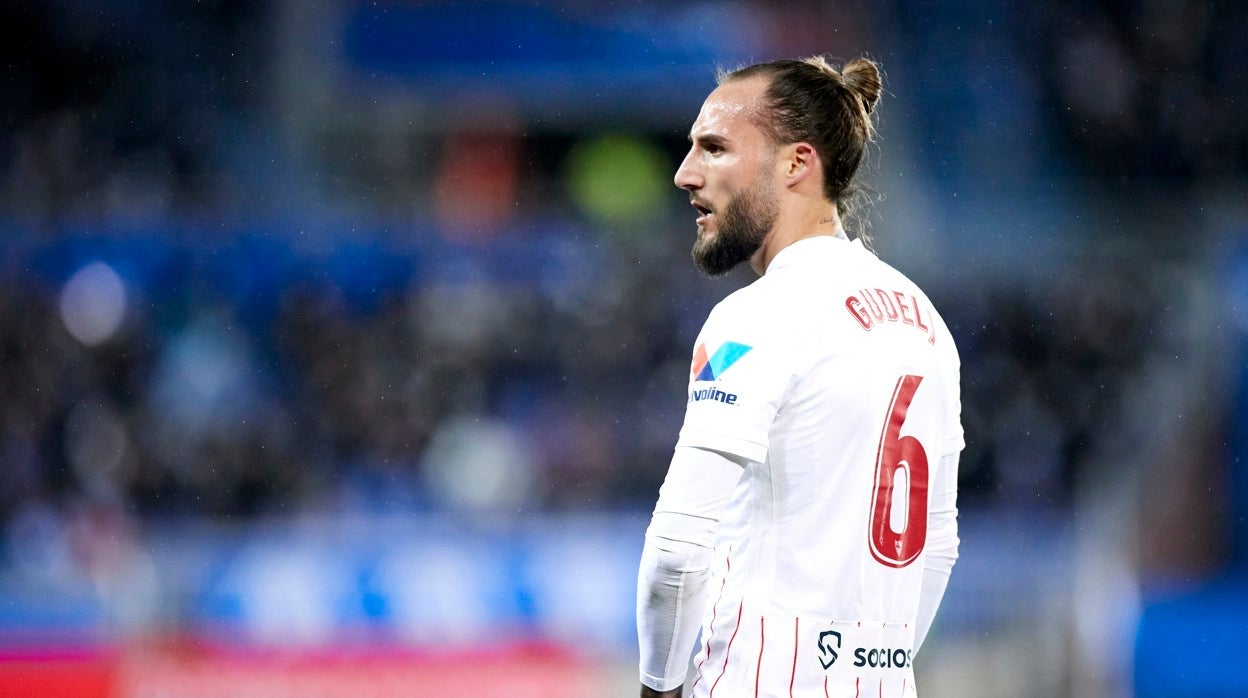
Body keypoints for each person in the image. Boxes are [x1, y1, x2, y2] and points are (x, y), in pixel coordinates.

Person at [636, 55, 962, 697]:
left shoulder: (758, 315)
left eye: (715, 148)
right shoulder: (926, 322)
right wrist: (869, 668)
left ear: (797, 163)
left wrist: (658, 689)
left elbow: (677, 550)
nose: (685, 173)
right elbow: (938, 547)